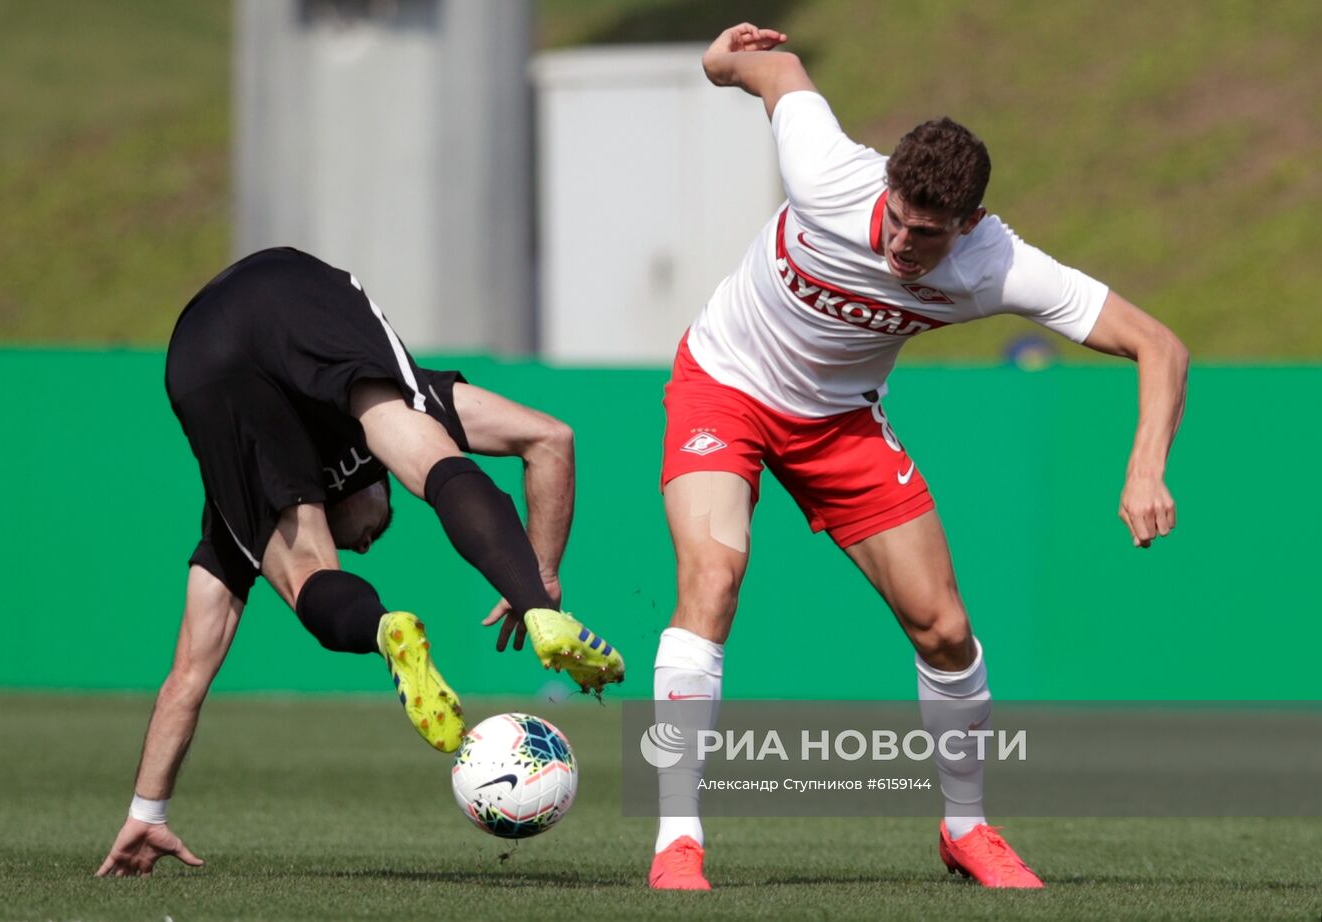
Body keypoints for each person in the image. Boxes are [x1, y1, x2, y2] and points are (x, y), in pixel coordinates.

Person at [648, 25, 1188, 890]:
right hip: (726, 385)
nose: (902, 245)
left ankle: (966, 830)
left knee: (945, 632)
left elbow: (1159, 345)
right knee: (713, 578)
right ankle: (677, 842)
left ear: (967, 224)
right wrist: (719, 60)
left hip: (839, 424)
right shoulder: (827, 172)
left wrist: (1146, 466)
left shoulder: (995, 263)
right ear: (887, 188)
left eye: (927, 235)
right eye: (898, 221)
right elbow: (773, 67)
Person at [95, 247, 624, 877]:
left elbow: (187, 675)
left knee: (308, 571)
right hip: (285, 294)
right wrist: (536, 581)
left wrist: (147, 811)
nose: (367, 541)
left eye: (365, 541)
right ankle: (513, 616)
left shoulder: (237, 510)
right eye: (369, 538)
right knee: (416, 446)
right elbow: (549, 438)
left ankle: (382, 629)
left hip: (201, 353)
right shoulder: (370, 425)